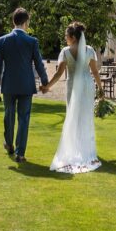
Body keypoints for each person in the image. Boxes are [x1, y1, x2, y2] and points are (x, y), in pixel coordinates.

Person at [41, 22, 103, 174]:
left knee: (72, 116)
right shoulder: (89, 50)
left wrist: (47, 87)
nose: (65, 38)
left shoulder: (65, 51)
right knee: (85, 116)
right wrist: (101, 89)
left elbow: (59, 74)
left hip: (73, 86)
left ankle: (75, 148)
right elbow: (95, 72)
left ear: (73, 37)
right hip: (87, 85)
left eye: (66, 36)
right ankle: (85, 149)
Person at [0, 8, 49, 163]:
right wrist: (45, 82)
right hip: (26, 85)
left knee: (8, 115)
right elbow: (39, 64)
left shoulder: (2, 40)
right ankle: (20, 153)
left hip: (8, 84)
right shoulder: (32, 41)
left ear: (13, 21)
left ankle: (9, 144)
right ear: (26, 23)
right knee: (24, 118)